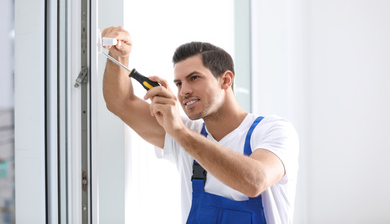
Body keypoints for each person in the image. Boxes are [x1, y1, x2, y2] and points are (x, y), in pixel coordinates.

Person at [101, 26, 299, 224]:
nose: (184, 91)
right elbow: (121, 103)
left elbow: (255, 181)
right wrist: (119, 56)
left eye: (194, 78)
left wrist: (178, 130)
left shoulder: (273, 131)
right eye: (178, 84)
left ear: (226, 80)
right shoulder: (184, 133)